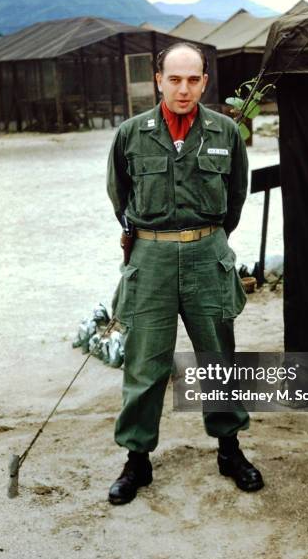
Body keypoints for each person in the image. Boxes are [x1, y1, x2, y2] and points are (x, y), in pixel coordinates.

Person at [106, 42, 264, 505]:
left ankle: (229, 449)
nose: (183, 88)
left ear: (205, 81)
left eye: (193, 79)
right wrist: (155, 239)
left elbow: (235, 199)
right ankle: (137, 460)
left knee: (217, 356)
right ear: (159, 80)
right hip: (150, 261)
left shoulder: (226, 132)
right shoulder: (131, 134)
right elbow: (120, 198)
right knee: (145, 362)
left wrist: (205, 238)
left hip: (206, 255)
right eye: (174, 79)